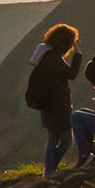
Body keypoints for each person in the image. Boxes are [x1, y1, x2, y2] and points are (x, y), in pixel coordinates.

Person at [24, 23, 83, 176]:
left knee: (53, 137)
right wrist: (78, 54)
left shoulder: (45, 56)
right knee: (65, 141)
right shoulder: (53, 59)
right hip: (57, 106)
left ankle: (50, 169)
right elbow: (72, 74)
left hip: (48, 105)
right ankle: (50, 169)